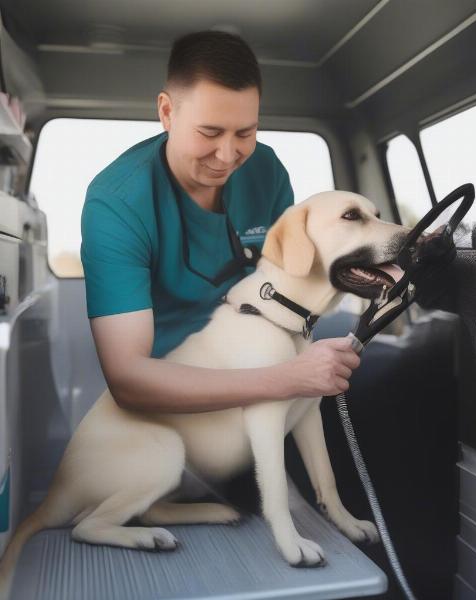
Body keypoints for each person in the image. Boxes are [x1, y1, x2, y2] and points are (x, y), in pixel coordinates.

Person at [80, 30, 360, 413]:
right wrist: (290, 378)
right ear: (167, 112)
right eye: (209, 132)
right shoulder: (116, 204)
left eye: (245, 133)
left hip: (263, 366)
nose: (228, 155)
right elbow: (129, 379)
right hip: (175, 396)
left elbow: (292, 285)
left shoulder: (267, 171)